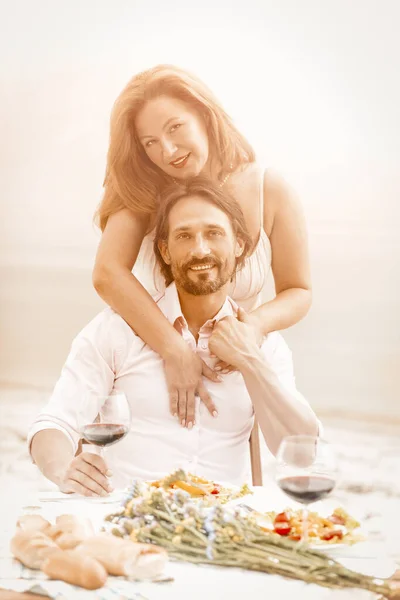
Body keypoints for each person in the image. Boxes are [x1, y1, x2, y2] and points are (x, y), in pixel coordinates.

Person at [29, 179, 320, 496]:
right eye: (184, 235)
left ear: (239, 244)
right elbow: (54, 424)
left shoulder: (267, 346)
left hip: (225, 531)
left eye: (213, 233)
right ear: (165, 251)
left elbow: (302, 454)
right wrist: (62, 470)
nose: (200, 249)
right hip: (129, 525)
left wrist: (250, 359)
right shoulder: (116, 330)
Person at [92, 64, 312, 429]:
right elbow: (107, 274)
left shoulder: (268, 189)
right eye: (150, 143)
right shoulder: (140, 190)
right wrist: (173, 349)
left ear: (205, 115)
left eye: (174, 127)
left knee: (234, 484)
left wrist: (251, 328)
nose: (167, 149)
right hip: (145, 371)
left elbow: (298, 291)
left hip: (232, 379)